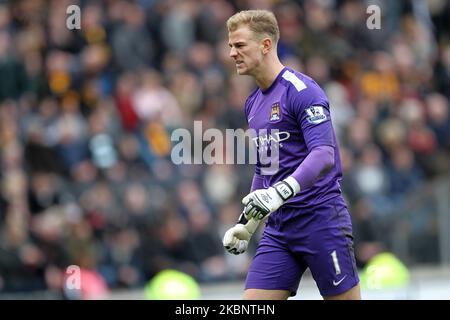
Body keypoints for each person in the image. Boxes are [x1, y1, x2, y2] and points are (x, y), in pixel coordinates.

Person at [222, 10, 361, 300]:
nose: (232, 52)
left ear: (265, 45)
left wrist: (279, 193)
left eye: (239, 45)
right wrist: (247, 225)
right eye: (231, 45)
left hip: (321, 220)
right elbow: (265, 168)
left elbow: (324, 154)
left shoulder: (302, 91)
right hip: (279, 229)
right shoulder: (252, 103)